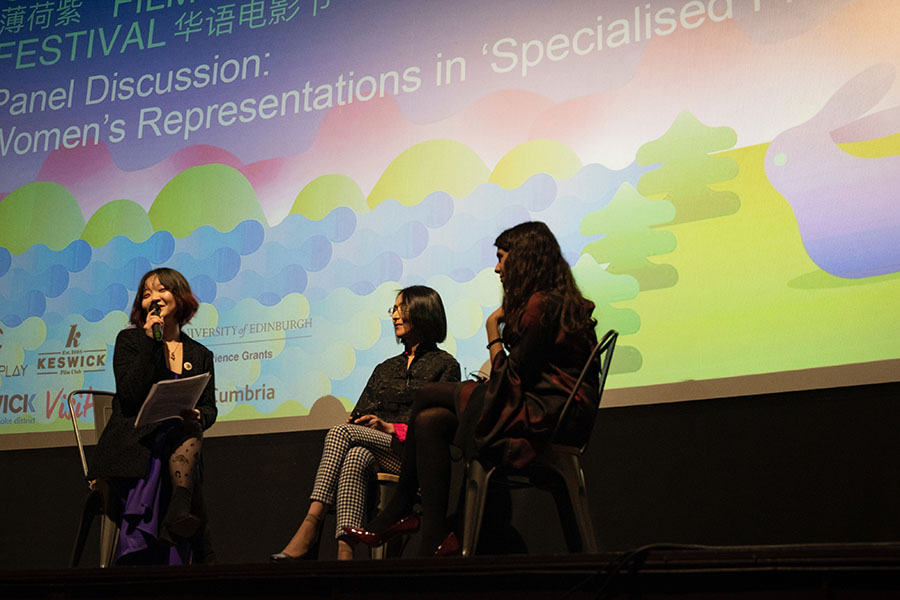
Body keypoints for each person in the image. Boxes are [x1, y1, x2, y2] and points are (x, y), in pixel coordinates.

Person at [343, 221, 600, 556]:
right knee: (429, 420)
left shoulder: (541, 306)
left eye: (502, 258)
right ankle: (432, 537)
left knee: (426, 395)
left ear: (523, 259)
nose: (497, 268)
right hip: (539, 408)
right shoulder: (557, 301)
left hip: (539, 415)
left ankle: (404, 507)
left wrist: (493, 326)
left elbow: (509, 378)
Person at [270, 285, 461, 561]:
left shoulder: (445, 364)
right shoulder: (385, 368)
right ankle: (345, 555)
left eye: (400, 308)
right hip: (379, 450)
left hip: (413, 458)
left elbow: (439, 425)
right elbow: (362, 412)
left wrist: (391, 427)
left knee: (339, 433)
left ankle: (312, 523)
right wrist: (360, 421)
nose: (394, 315)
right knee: (355, 456)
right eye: (393, 310)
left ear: (423, 311)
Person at [89, 267, 217, 565]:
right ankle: (183, 520)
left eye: (162, 290)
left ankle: (178, 513)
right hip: (136, 445)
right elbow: (131, 396)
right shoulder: (130, 341)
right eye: (147, 295)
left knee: (188, 430)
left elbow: (210, 408)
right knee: (174, 447)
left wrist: (198, 414)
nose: (155, 298)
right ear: (141, 307)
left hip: (180, 442)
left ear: (180, 297)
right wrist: (150, 343)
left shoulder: (200, 354)